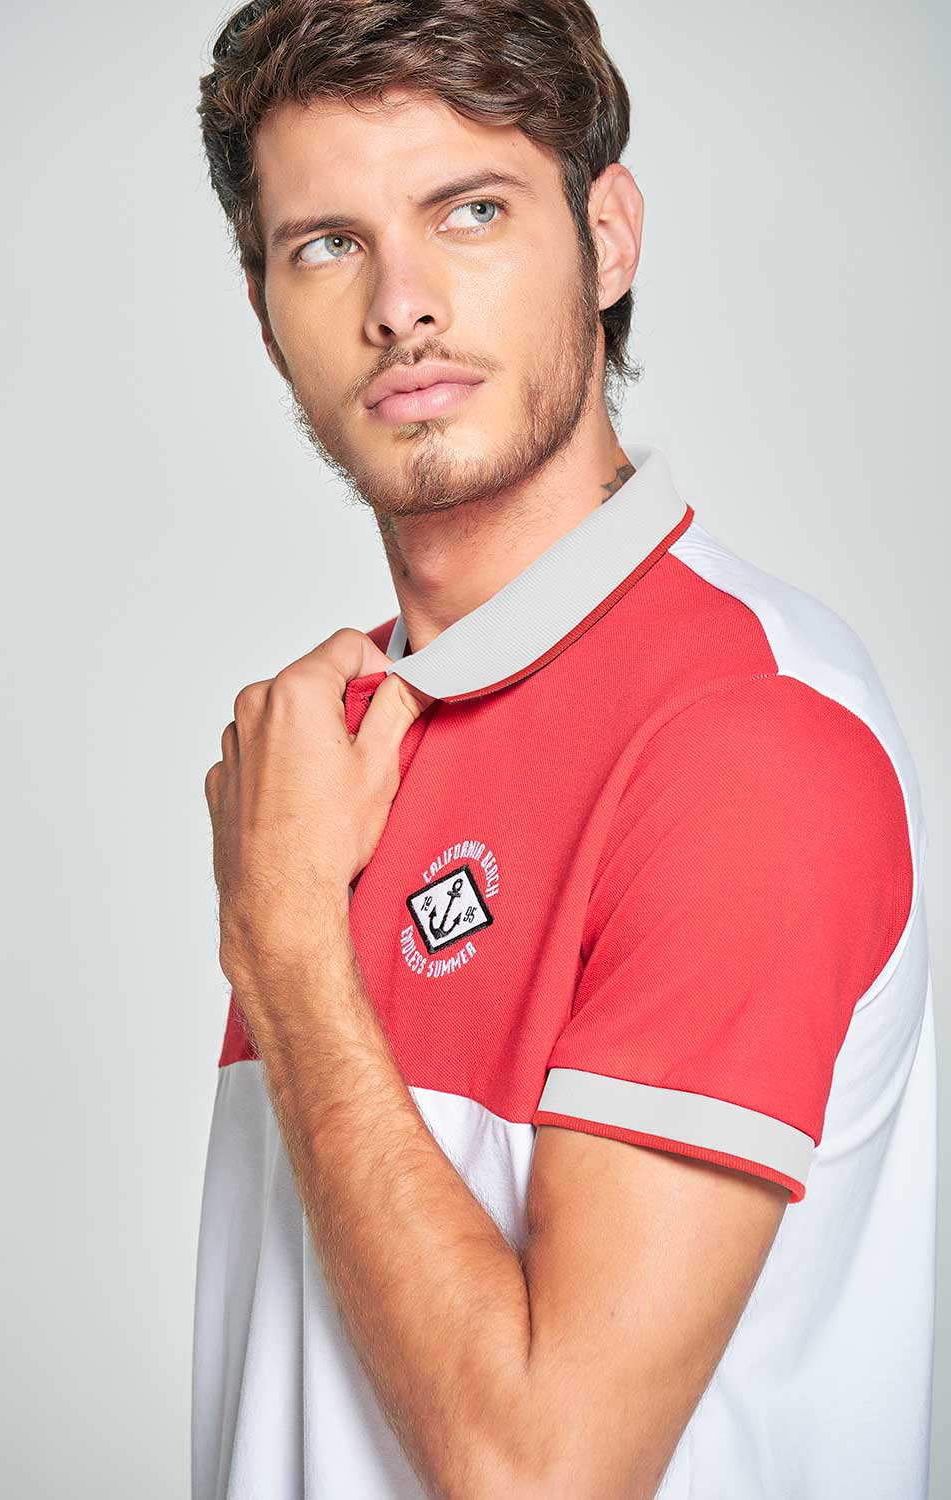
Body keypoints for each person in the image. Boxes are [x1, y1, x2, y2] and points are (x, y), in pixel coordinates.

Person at [192, 3, 937, 1497]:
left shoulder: (746, 735)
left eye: (470, 211)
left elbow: (547, 1471)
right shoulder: (326, 761)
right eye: (326, 244)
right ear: (266, 309)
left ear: (606, 239)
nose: (401, 305)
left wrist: (287, 944)